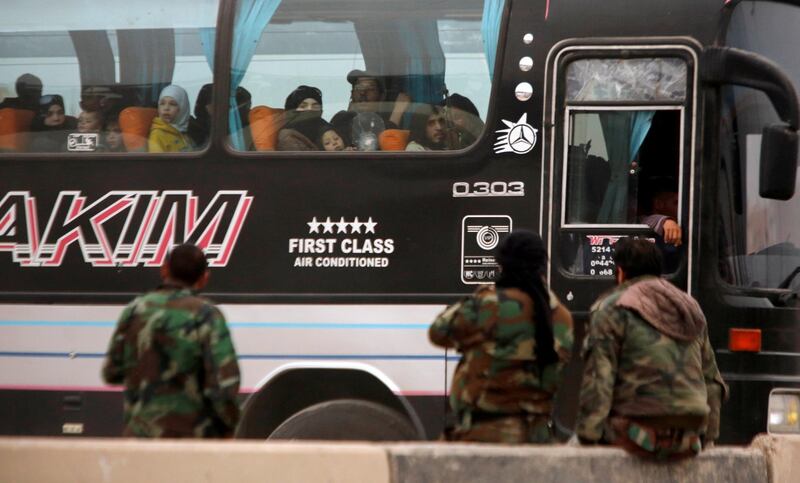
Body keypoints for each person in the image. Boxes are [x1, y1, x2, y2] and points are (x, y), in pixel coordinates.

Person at [575, 237, 728, 460]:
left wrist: (587, 439)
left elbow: (600, 379)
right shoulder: (689, 307)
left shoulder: (611, 307)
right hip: (689, 440)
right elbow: (712, 382)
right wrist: (707, 439)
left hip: (636, 436)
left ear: (620, 272)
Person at [429, 230, 574, 443]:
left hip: (485, 434)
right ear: (543, 264)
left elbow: (438, 333)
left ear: (501, 263)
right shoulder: (562, 315)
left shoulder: (489, 304)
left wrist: (481, 295)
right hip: (538, 436)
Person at [102, 244, 241, 438]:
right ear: (204, 279)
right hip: (190, 441)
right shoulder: (207, 316)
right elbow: (224, 385)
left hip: (139, 438)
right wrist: (229, 428)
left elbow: (111, 373)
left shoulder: (134, 311)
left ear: (164, 269)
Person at [345, 69, 411, 128]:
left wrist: (398, 110)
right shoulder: (341, 120)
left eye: (370, 88)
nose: (362, 92)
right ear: (352, 94)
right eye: (358, 87)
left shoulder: (383, 120)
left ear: (382, 96)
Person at [277, 85, 328, 151]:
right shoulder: (288, 137)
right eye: (303, 106)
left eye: (315, 106)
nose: (310, 109)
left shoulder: (328, 130)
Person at [148, 85, 193, 152]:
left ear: (182, 109)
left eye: (172, 104)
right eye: (162, 103)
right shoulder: (157, 135)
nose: (166, 108)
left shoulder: (183, 131)